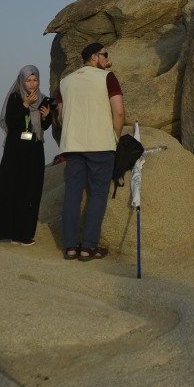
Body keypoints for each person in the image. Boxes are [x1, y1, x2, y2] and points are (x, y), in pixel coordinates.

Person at [57, 42, 124, 261]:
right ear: (95, 57)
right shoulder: (107, 78)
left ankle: (70, 247)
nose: (107, 59)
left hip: (73, 146)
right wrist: (115, 136)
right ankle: (88, 248)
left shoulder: (65, 82)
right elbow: (119, 112)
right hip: (100, 145)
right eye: (105, 55)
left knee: (72, 195)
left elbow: (60, 116)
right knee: (97, 195)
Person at [0, 65, 53, 246]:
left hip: (34, 150)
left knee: (30, 190)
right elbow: (12, 122)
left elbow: (44, 128)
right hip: (15, 150)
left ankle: (22, 234)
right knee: (5, 187)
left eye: (35, 80)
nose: (32, 84)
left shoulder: (44, 99)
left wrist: (46, 117)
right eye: (28, 80)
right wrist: (26, 105)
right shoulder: (15, 98)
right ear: (22, 81)